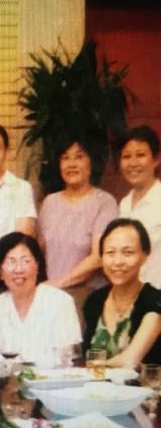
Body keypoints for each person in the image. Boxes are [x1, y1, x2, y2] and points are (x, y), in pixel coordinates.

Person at [38, 136, 118, 305]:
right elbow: (40, 250)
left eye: (79, 156)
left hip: (88, 296)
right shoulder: (49, 203)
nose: (71, 164)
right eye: (65, 157)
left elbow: (98, 256)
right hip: (52, 295)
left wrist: (58, 284)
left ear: (91, 163)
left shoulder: (104, 202)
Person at [0, 232, 81, 364]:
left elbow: (66, 359)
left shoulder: (60, 302)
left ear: (37, 267)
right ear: (0, 272)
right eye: (11, 262)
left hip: (52, 376)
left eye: (25, 261)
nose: (18, 269)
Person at [82, 219, 161, 367]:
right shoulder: (94, 300)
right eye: (110, 252)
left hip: (144, 382)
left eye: (128, 252)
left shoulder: (155, 301)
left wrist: (90, 370)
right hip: (95, 381)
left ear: (145, 256)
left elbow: (129, 361)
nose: (118, 262)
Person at [118, 125, 161, 287]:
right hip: (130, 295)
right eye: (126, 156)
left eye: (140, 155)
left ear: (156, 159)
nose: (133, 163)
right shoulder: (124, 204)